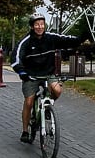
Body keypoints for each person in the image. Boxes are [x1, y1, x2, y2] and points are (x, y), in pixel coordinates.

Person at [11, 14, 82, 143]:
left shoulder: (51, 38)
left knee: (57, 91)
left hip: (48, 73)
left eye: (42, 24)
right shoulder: (25, 41)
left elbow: (67, 40)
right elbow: (16, 58)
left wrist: (81, 39)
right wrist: (21, 71)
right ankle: (25, 131)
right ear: (32, 27)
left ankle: (47, 107)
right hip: (31, 75)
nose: (40, 27)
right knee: (29, 102)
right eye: (37, 25)